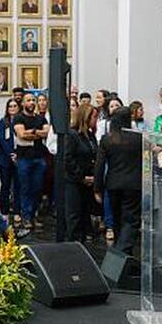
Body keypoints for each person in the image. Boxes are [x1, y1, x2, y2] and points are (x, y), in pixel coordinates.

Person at [93, 107, 141, 253]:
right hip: (134, 184)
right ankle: (123, 252)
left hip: (113, 184)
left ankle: (121, 253)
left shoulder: (107, 139)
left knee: (117, 219)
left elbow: (99, 166)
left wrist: (97, 188)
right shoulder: (139, 138)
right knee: (131, 220)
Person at [13, 93, 49, 231]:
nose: (32, 102)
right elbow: (21, 134)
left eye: (33, 100)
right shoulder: (18, 117)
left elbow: (46, 132)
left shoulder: (41, 118)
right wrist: (36, 133)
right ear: (22, 103)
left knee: (38, 188)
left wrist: (32, 132)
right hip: (24, 158)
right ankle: (26, 217)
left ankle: (34, 214)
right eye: (28, 100)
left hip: (39, 157)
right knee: (25, 188)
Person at [63, 104, 98, 242]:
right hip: (74, 181)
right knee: (74, 216)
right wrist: (81, 177)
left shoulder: (90, 135)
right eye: (94, 117)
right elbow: (68, 159)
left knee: (84, 215)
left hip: (87, 181)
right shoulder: (72, 135)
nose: (96, 120)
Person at [0, 99, 21, 225]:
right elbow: (2, 139)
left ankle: (17, 212)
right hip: (5, 158)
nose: (12, 108)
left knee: (18, 186)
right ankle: (4, 212)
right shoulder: (3, 122)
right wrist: (11, 153)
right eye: (10, 106)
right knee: (5, 186)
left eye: (15, 106)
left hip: (20, 157)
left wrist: (17, 155)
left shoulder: (22, 121)